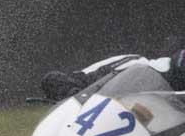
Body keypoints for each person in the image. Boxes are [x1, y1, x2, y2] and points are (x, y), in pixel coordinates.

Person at [41, 50, 185, 101]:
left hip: (167, 72)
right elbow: (52, 79)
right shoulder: (88, 85)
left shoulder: (91, 77)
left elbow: (137, 61)